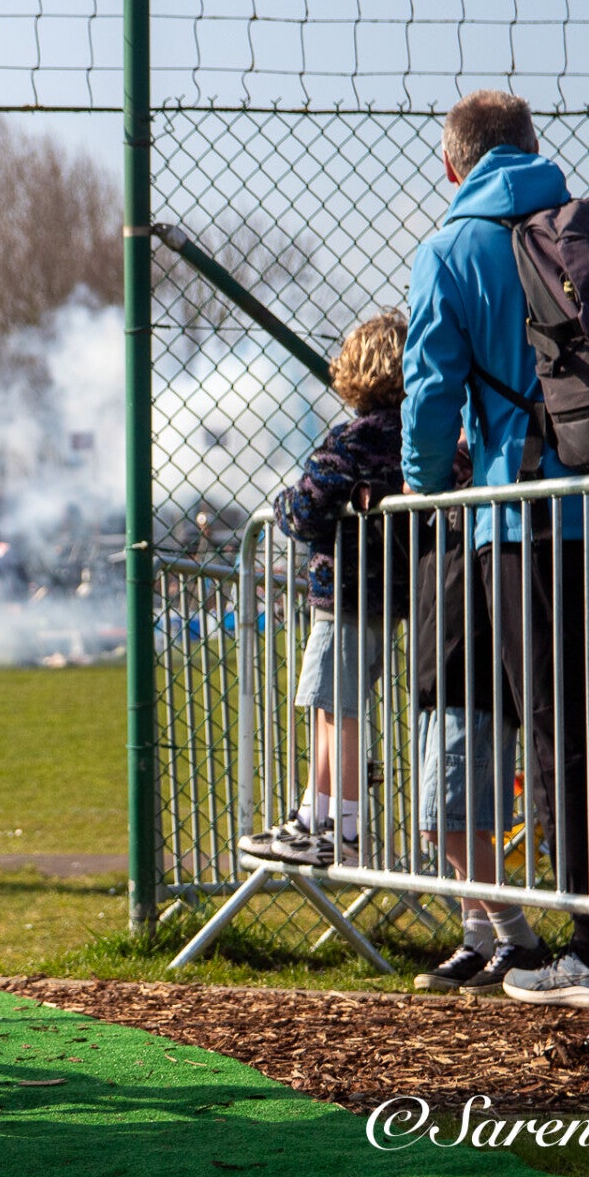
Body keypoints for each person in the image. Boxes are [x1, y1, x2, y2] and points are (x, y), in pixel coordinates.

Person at [400, 90, 589, 1009]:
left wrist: (427, 486)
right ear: (533, 148)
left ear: (452, 165)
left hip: (526, 519)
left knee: (557, 724)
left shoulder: (449, 251)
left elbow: (430, 393)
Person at [240, 310, 408, 867]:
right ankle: (314, 815)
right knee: (331, 704)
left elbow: (305, 507)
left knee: (335, 707)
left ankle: (342, 828)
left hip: (346, 594)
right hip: (386, 594)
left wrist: (282, 505)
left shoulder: (353, 440)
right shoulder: (413, 434)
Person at [406, 446, 547, 995]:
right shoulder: (441, 506)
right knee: (464, 821)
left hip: (473, 677)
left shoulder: (484, 488)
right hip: (439, 674)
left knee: (444, 823)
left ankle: (518, 938)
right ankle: (479, 940)